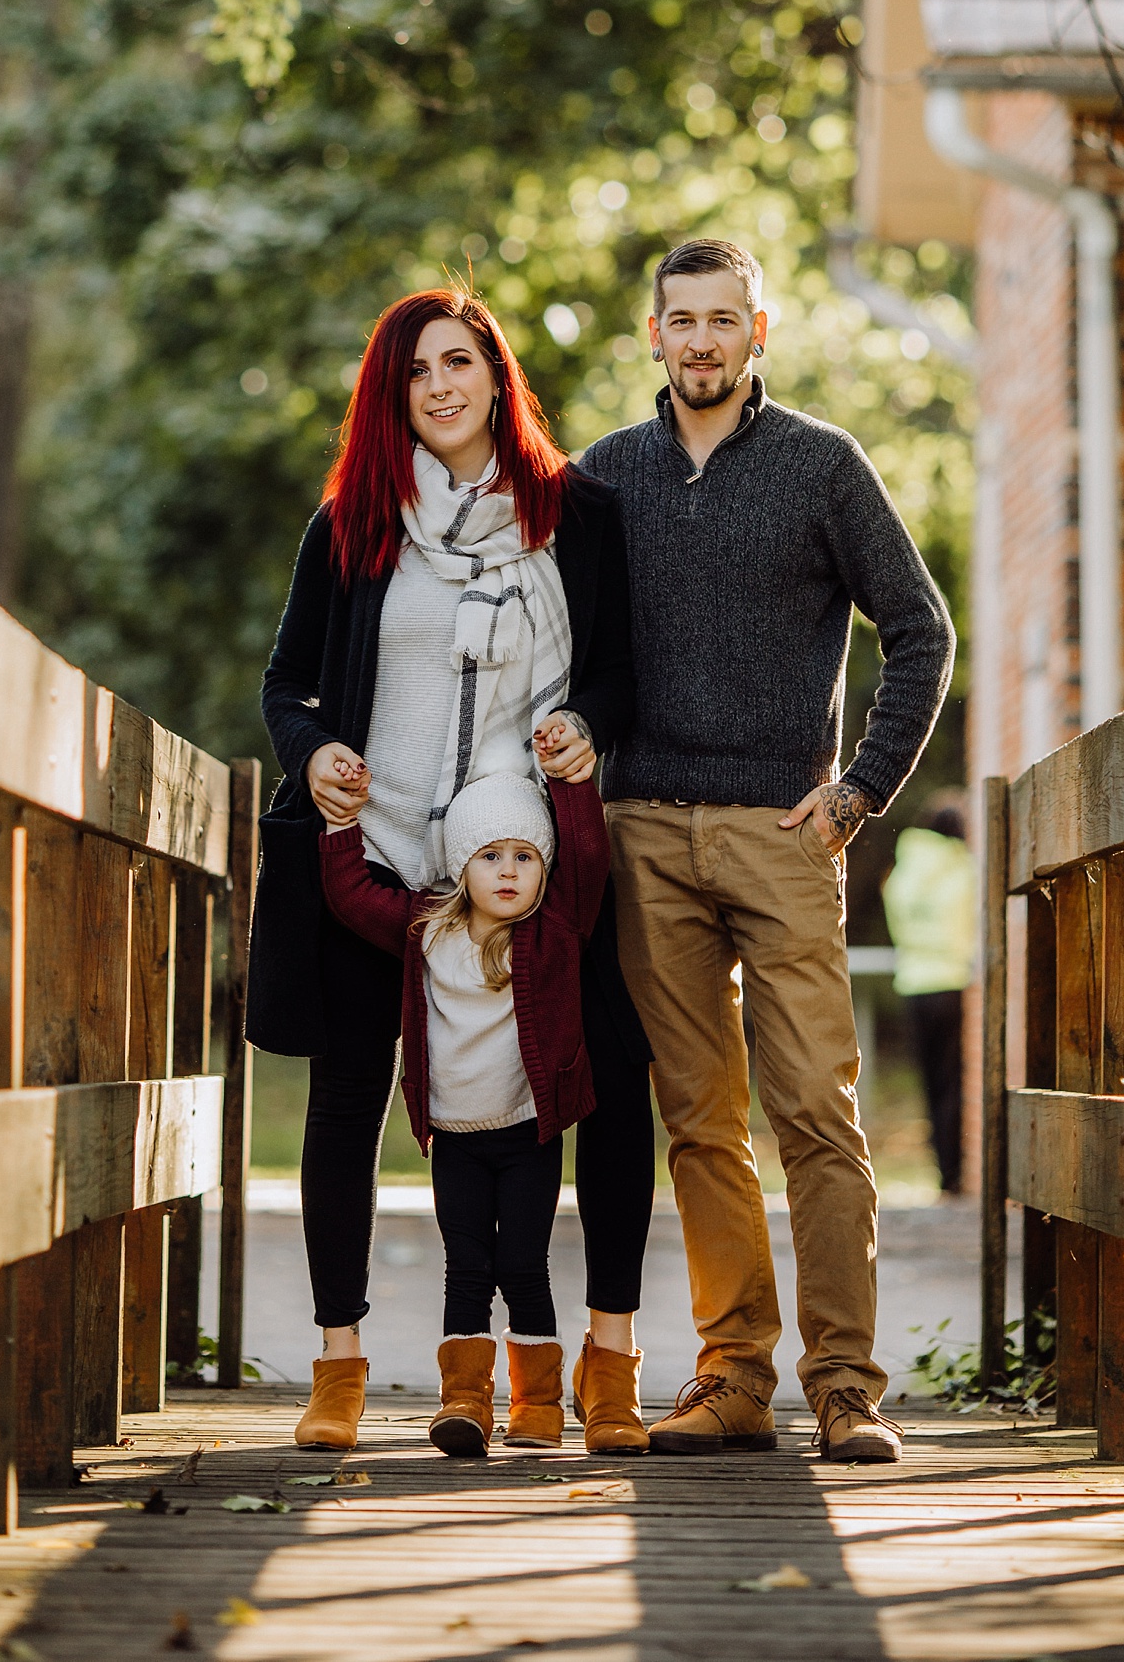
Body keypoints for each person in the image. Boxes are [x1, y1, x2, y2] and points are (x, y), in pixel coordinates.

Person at [250, 287, 654, 1456]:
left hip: (525, 863)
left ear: (496, 373)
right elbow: (288, 686)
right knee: (344, 1099)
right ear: (392, 395)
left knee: (608, 1078)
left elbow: (619, 673)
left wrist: (585, 721)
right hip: (380, 859)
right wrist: (316, 748)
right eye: (414, 370)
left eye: (459, 361)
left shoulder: (576, 515)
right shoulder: (352, 525)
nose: (439, 384)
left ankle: (608, 1354)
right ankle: (338, 1360)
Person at [582, 239, 955, 1464]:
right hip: (644, 833)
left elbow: (920, 629)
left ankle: (846, 1385)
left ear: (758, 332)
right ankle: (734, 1373)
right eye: (680, 320)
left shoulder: (822, 466)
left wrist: (858, 793)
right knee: (698, 1117)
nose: (701, 340)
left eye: (722, 320)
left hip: (786, 831)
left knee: (815, 1111)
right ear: (653, 334)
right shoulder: (605, 478)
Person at [318, 771, 613, 1455]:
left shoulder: (556, 929)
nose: (508, 872)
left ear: (546, 870)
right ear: (461, 864)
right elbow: (351, 894)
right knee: (467, 1266)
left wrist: (572, 783)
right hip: (454, 1139)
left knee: (525, 1262)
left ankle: (537, 1404)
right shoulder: (426, 929)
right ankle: (465, 1402)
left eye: (525, 857)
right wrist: (341, 826)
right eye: (490, 855)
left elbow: (591, 856)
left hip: (526, 1134)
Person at [881, 799, 976, 1198]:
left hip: (912, 984)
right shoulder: (962, 869)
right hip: (950, 983)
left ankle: (941, 1168)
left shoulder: (901, 872)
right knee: (953, 1082)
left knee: (930, 1083)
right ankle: (953, 1175)